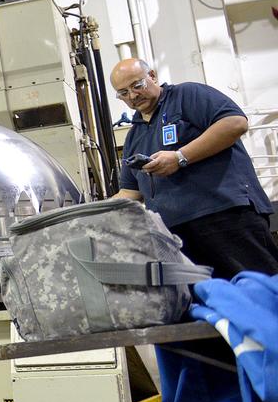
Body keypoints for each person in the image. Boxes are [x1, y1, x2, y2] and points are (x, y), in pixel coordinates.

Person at [112, 57, 278, 278]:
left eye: (137, 85)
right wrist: (87, 214)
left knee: (261, 291)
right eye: (123, 93)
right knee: (211, 304)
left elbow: (235, 123)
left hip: (225, 216)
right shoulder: (135, 135)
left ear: (152, 76)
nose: (132, 96)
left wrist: (180, 157)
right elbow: (130, 192)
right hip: (176, 237)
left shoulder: (186, 96)